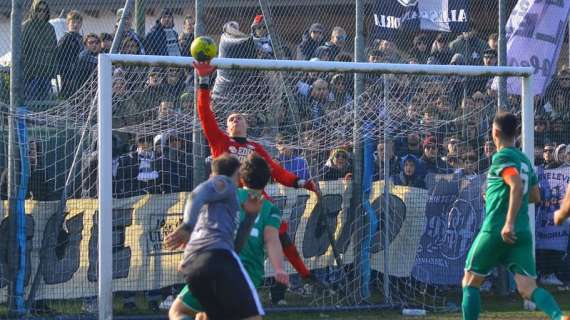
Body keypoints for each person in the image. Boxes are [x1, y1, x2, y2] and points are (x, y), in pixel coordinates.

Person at [193, 60, 321, 292]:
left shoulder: (256, 148)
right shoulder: (220, 142)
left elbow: (276, 170)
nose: (235, 120)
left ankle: (304, 276)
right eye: (231, 118)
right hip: (230, 200)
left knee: (281, 235)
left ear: (246, 124)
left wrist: (300, 182)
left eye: (239, 117)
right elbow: (204, 115)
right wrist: (203, 82)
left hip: (256, 200)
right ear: (227, 127)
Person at [462, 112, 567, 320]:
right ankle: (559, 316)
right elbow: (535, 195)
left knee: (470, 282)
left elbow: (516, 185)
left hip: (497, 229)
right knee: (527, 288)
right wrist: (495, 197)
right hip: (523, 232)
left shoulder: (502, 156)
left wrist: (507, 222)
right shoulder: (525, 160)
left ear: (495, 132)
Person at [167, 154, 290, 320]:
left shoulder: (224, 197)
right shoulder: (232, 189)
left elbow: (202, 219)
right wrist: (279, 268)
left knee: (179, 311)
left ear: (243, 177)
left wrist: (188, 251)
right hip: (235, 268)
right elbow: (271, 240)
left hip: (200, 263)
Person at [22, 0, 57, 101]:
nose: (42, 13)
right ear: (34, 11)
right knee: (31, 102)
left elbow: (54, 48)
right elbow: (23, 49)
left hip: (46, 72)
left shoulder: (50, 28)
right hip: (31, 73)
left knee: (44, 104)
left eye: (44, 11)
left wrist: (52, 71)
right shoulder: (27, 26)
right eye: (39, 10)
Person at [56, 10, 84, 98]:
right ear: (68, 23)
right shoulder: (66, 38)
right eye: (73, 22)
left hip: (80, 71)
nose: (75, 25)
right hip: (68, 73)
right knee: (68, 94)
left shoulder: (80, 38)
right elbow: (59, 55)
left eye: (78, 22)